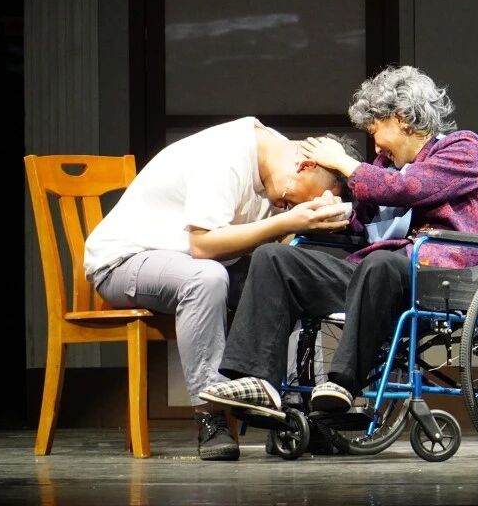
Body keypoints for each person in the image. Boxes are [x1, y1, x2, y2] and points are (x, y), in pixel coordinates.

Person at [199, 65, 478, 425]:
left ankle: (342, 383)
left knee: (381, 263)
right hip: (373, 275)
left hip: (434, 276)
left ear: (401, 118)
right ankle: (258, 380)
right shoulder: (386, 165)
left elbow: (408, 189)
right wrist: (331, 211)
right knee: (274, 258)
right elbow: (365, 220)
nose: (376, 145)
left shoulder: (463, 148)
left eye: (375, 130)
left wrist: (342, 161)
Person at [83, 118, 355, 461]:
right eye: (298, 202)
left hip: (203, 263)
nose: (291, 208)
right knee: (206, 278)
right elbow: (202, 246)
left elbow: (277, 247)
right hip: (127, 261)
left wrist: (297, 228)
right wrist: (286, 221)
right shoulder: (226, 155)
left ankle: (292, 412)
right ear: (305, 166)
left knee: (291, 277)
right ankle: (211, 416)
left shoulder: (280, 164)